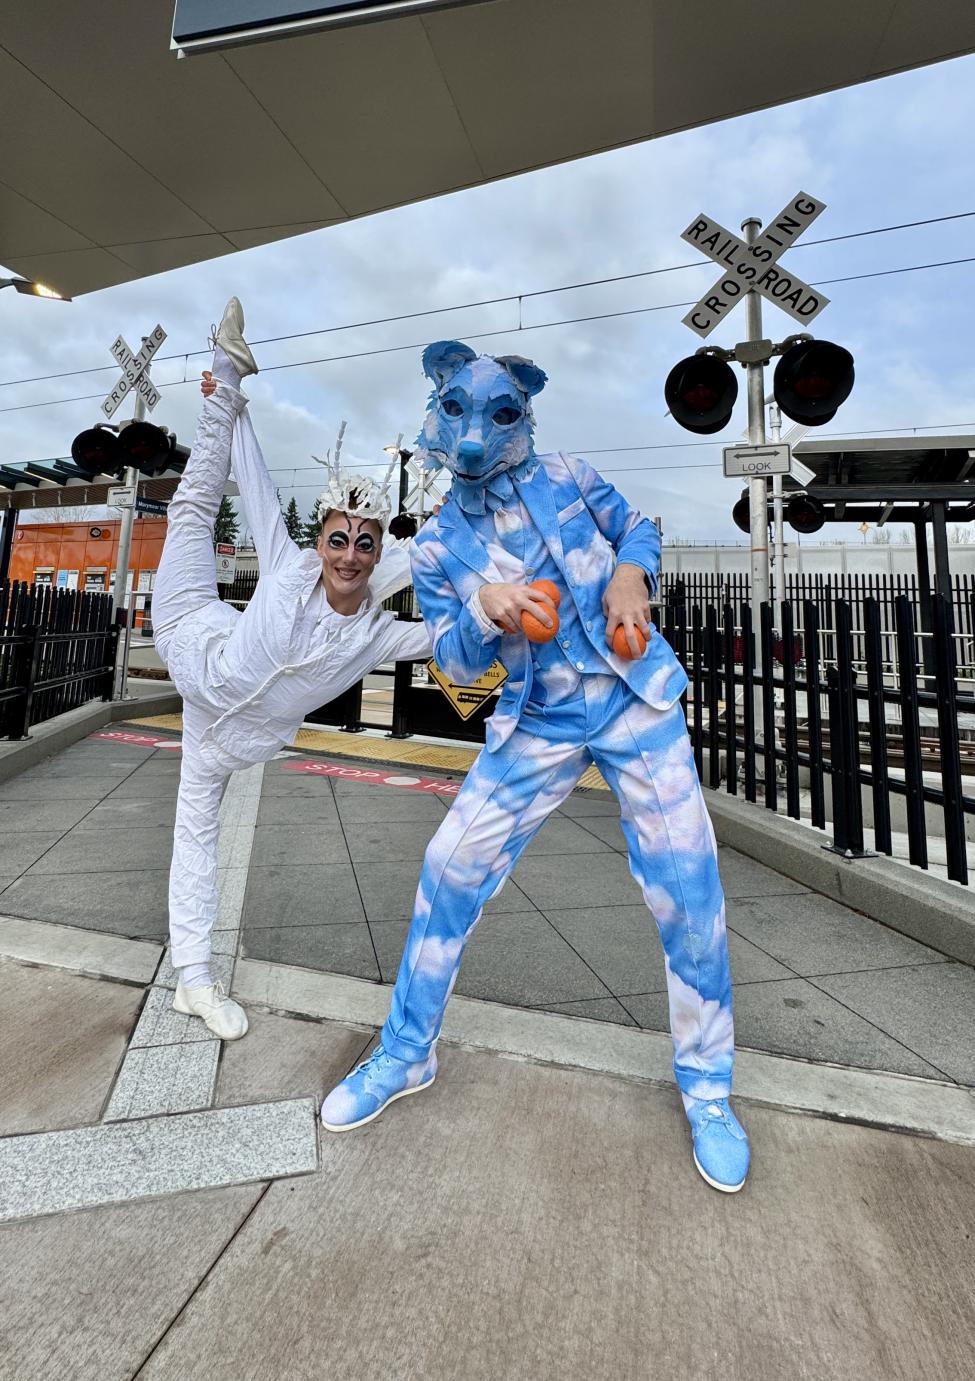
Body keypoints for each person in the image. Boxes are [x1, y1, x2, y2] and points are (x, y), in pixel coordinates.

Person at [322, 339, 748, 1193]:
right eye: (457, 411)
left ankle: (708, 1088)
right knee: (449, 865)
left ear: (524, 412)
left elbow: (635, 526)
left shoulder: (568, 474)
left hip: (636, 701)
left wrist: (632, 574)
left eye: (499, 413)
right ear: (436, 405)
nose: (476, 432)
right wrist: (485, 608)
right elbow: (451, 662)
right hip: (538, 720)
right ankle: (407, 1050)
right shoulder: (438, 546)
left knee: (687, 883)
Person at [152, 299, 432, 1041]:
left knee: (195, 838)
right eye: (338, 537)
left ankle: (194, 983)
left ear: (376, 555)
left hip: (222, 742)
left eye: (363, 545)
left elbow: (445, 631)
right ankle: (224, 363)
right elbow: (254, 476)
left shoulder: (374, 635)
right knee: (193, 508)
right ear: (322, 538)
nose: (346, 554)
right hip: (189, 628)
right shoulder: (286, 563)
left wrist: (518, 614)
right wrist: (230, 403)